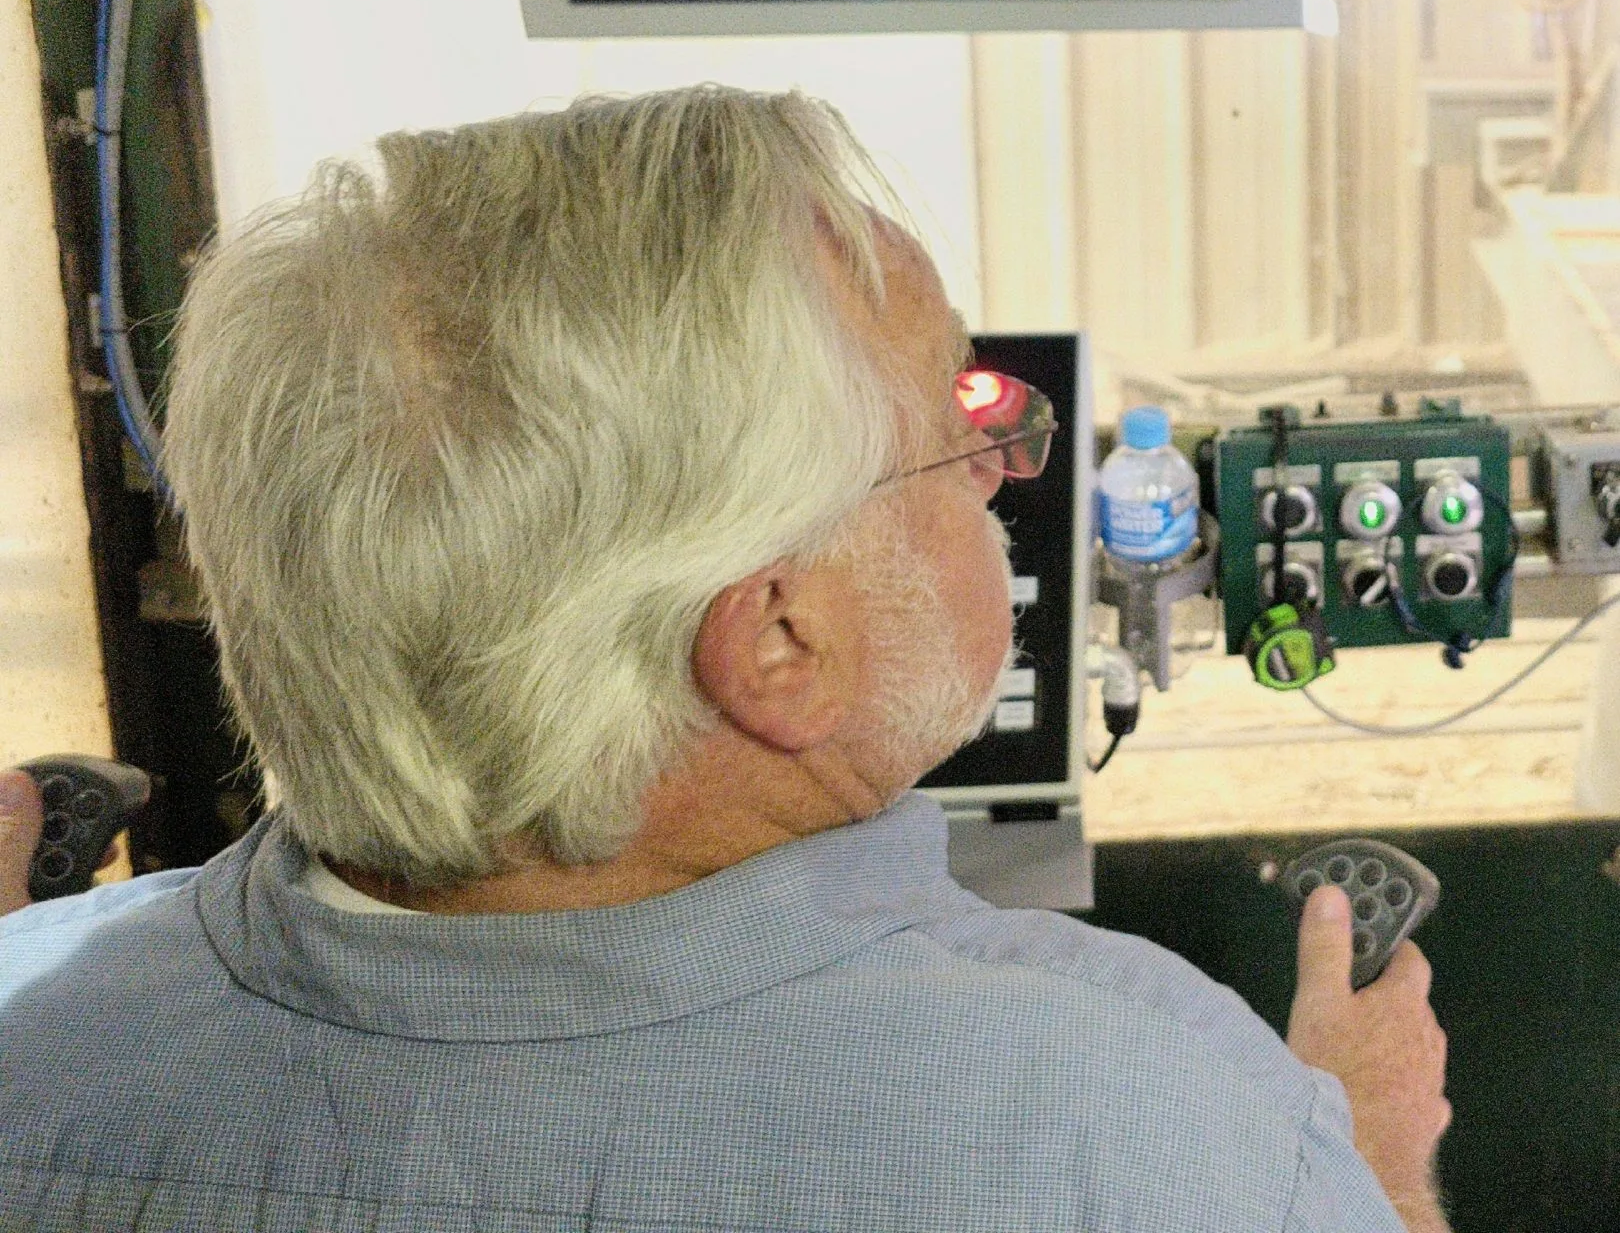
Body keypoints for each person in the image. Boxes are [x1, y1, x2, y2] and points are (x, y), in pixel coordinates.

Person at [0, 87, 1450, 1233]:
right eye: (958, 442)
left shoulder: (28, 1033)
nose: (1005, 471)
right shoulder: (1175, 1131)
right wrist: (1357, 1167)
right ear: (776, 642)